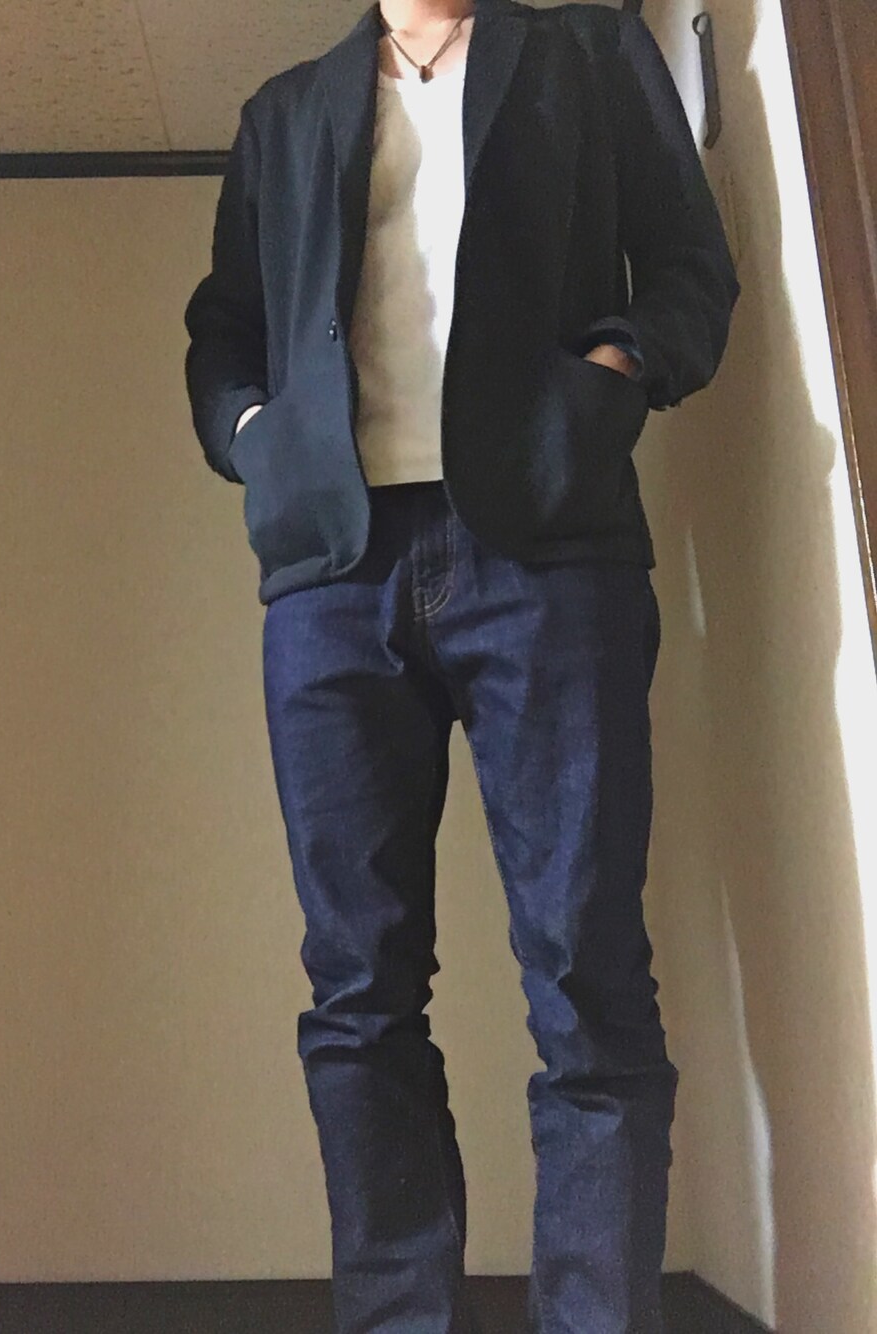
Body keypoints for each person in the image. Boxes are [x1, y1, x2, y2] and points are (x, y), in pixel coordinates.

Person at [183, 1, 740, 1330]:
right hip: (334, 574)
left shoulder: (587, 55)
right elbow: (225, 329)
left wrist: (611, 374)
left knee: (585, 973)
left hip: (548, 557)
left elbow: (689, 271)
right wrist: (259, 439)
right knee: (357, 987)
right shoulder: (285, 113)